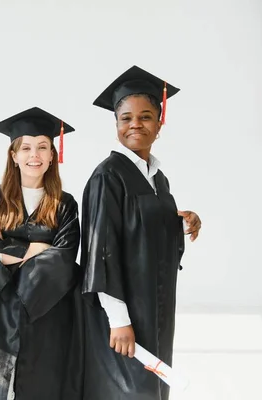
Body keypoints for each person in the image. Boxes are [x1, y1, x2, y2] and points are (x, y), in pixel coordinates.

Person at [81, 65, 203, 400]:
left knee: (154, 389)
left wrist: (181, 223)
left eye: (146, 116)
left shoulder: (157, 178)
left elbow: (146, 235)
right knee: (126, 390)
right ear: (116, 125)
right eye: (126, 118)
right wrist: (118, 319)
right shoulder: (107, 176)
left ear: (159, 124)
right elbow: (101, 250)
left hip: (157, 305)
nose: (136, 124)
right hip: (124, 311)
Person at [0, 107, 83, 400]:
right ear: (14, 155)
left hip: (49, 310)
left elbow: (64, 258)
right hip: (0, 306)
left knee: (43, 382)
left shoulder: (64, 204)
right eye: (26, 147)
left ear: (52, 154)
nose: (35, 154)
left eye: (43, 147)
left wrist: (6, 249)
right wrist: (38, 248)